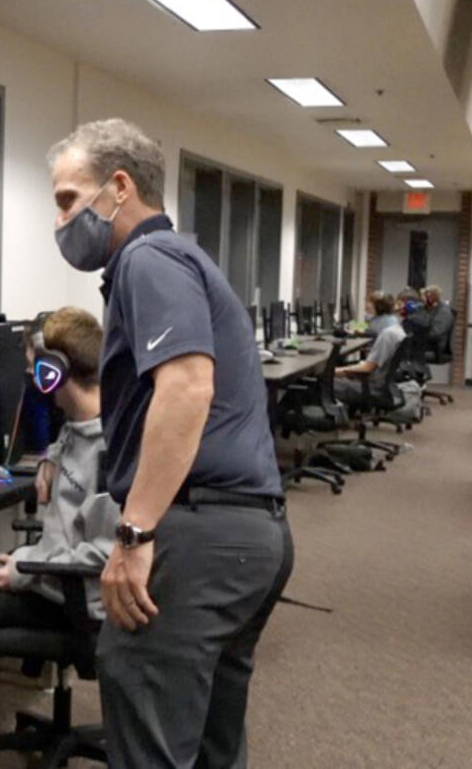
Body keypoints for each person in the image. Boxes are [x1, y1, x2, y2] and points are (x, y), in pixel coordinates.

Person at [48, 118, 292, 768]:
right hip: (250, 536)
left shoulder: (148, 259)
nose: (61, 220)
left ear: (119, 187)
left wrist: (133, 532)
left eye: (69, 200)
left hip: (197, 536)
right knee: (212, 747)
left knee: (150, 744)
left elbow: (186, 387)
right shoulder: (185, 258)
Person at [0, 307, 118, 769]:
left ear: (57, 372)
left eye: (36, 369)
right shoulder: (77, 428)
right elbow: (71, 452)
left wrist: (25, 568)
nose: (31, 379)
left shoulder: (112, 450)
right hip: (45, 573)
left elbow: (109, 553)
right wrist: (51, 456)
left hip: (71, 602)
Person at [334, 293, 407, 408]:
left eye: (369, 302)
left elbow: (367, 368)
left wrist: (333, 371)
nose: (366, 305)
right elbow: (366, 325)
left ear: (378, 306)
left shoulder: (386, 330)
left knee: (323, 383)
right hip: (382, 380)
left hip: (373, 383)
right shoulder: (392, 323)